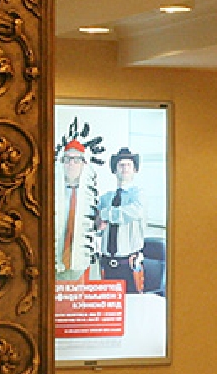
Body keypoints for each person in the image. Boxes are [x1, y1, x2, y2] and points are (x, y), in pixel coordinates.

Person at [54, 120, 106, 282]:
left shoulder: (94, 197)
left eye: (76, 160)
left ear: (84, 164)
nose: (71, 164)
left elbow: (100, 227)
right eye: (67, 159)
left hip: (83, 265)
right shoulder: (49, 195)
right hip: (52, 263)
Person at [95, 147, 149, 292]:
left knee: (131, 303)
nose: (125, 168)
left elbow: (133, 212)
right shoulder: (105, 199)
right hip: (106, 264)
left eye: (128, 165)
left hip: (129, 265)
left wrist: (105, 214)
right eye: (121, 165)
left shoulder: (139, 195)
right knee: (108, 303)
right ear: (115, 170)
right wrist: (98, 223)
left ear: (134, 170)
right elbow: (97, 225)